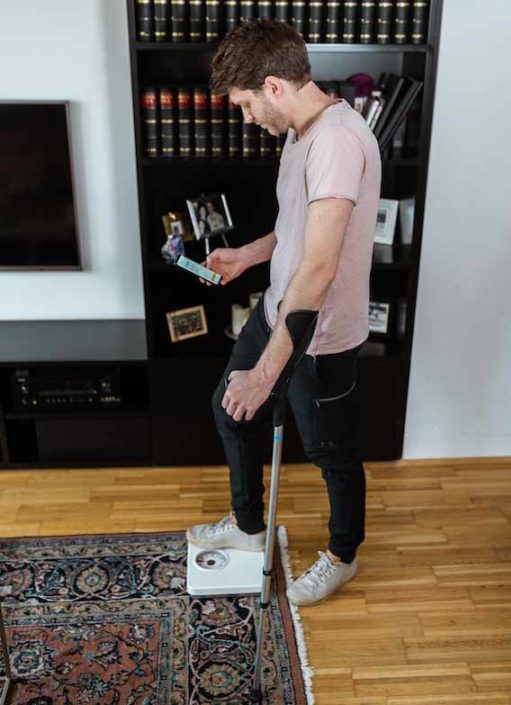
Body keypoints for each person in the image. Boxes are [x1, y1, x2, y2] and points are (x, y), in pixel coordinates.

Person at [187, 20, 381, 606]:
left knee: (332, 453)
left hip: (321, 335)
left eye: (246, 104)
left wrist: (267, 373)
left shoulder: (338, 143)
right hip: (278, 308)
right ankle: (249, 524)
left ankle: (342, 554)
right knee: (231, 410)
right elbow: (299, 229)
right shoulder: (301, 134)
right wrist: (248, 256)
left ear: (273, 86)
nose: (246, 118)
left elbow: (319, 268)